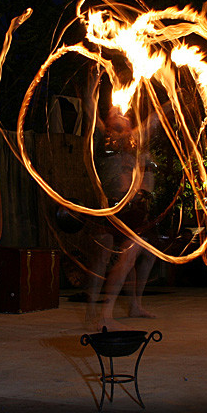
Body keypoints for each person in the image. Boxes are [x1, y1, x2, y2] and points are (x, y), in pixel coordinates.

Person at [87, 96, 161, 329]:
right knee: (104, 259)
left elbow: (155, 119)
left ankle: (134, 305)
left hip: (136, 208)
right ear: (108, 121)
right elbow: (89, 109)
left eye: (123, 113)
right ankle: (98, 312)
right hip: (110, 205)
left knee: (144, 256)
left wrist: (174, 96)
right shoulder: (103, 136)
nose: (120, 112)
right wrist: (93, 86)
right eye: (114, 111)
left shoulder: (135, 139)